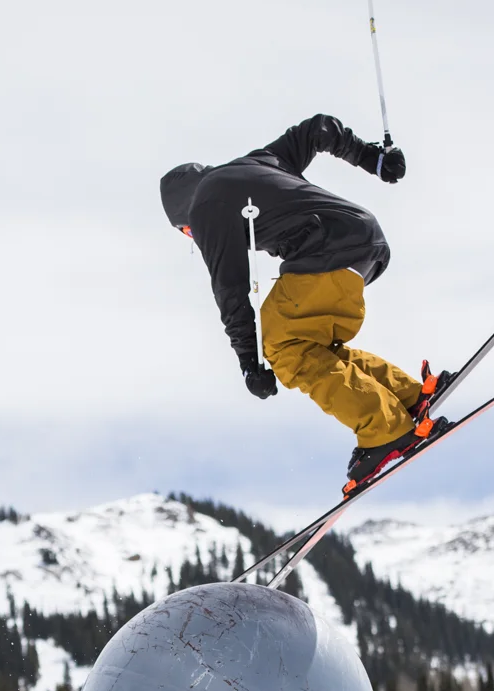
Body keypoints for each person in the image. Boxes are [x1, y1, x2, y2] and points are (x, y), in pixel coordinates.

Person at [161, 114, 450, 493]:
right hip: (367, 247)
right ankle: (410, 397)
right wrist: (372, 159)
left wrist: (250, 362)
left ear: (185, 216)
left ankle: (384, 430)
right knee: (312, 347)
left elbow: (230, 288)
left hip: (326, 251)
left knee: (284, 348)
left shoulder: (205, 206)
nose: (194, 237)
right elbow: (319, 129)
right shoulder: (259, 162)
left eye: (187, 233)